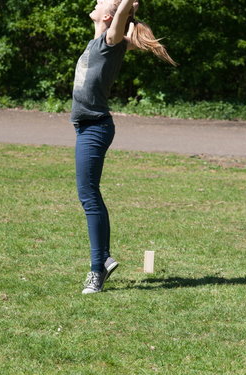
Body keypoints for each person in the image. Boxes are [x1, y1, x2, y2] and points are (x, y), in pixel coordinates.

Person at [72, 0, 176, 294]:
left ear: (109, 15)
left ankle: (97, 268)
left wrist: (126, 5)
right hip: (86, 127)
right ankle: (102, 259)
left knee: (88, 195)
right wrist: (129, 11)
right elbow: (129, 28)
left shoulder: (109, 40)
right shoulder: (99, 41)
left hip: (95, 127)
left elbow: (121, 23)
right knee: (88, 194)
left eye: (102, 1)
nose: (95, 0)